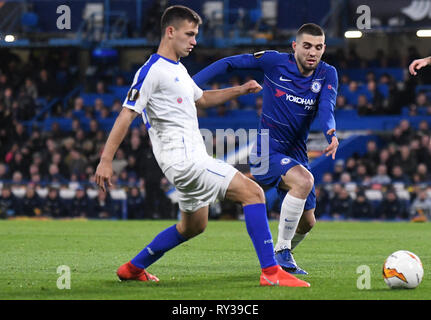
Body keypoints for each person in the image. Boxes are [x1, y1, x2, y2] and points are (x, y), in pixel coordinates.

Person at [94, 5, 309, 287]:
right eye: (190, 34)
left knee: (193, 226)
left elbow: (202, 99)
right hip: (185, 161)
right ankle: (271, 273)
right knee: (253, 193)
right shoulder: (152, 71)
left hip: (185, 161)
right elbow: (127, 113)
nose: (195, 40)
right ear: (170, 32)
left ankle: (133, 268)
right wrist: (106, 160)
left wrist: (240, 90)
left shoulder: (179, 70)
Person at [193, 23, 339, 274]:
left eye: (318, 47)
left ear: (324, 48)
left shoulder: (327, 73)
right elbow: (229, 63)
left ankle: (280, 255)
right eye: (306, 46)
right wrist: (191, 84)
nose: (312, 52)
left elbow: (327, 107)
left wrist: (330, 131)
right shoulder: (273, 62)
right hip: (266, 151)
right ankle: (282, 253)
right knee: (303, 181)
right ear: (295, 47)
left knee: (308, 221)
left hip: (296, 153)